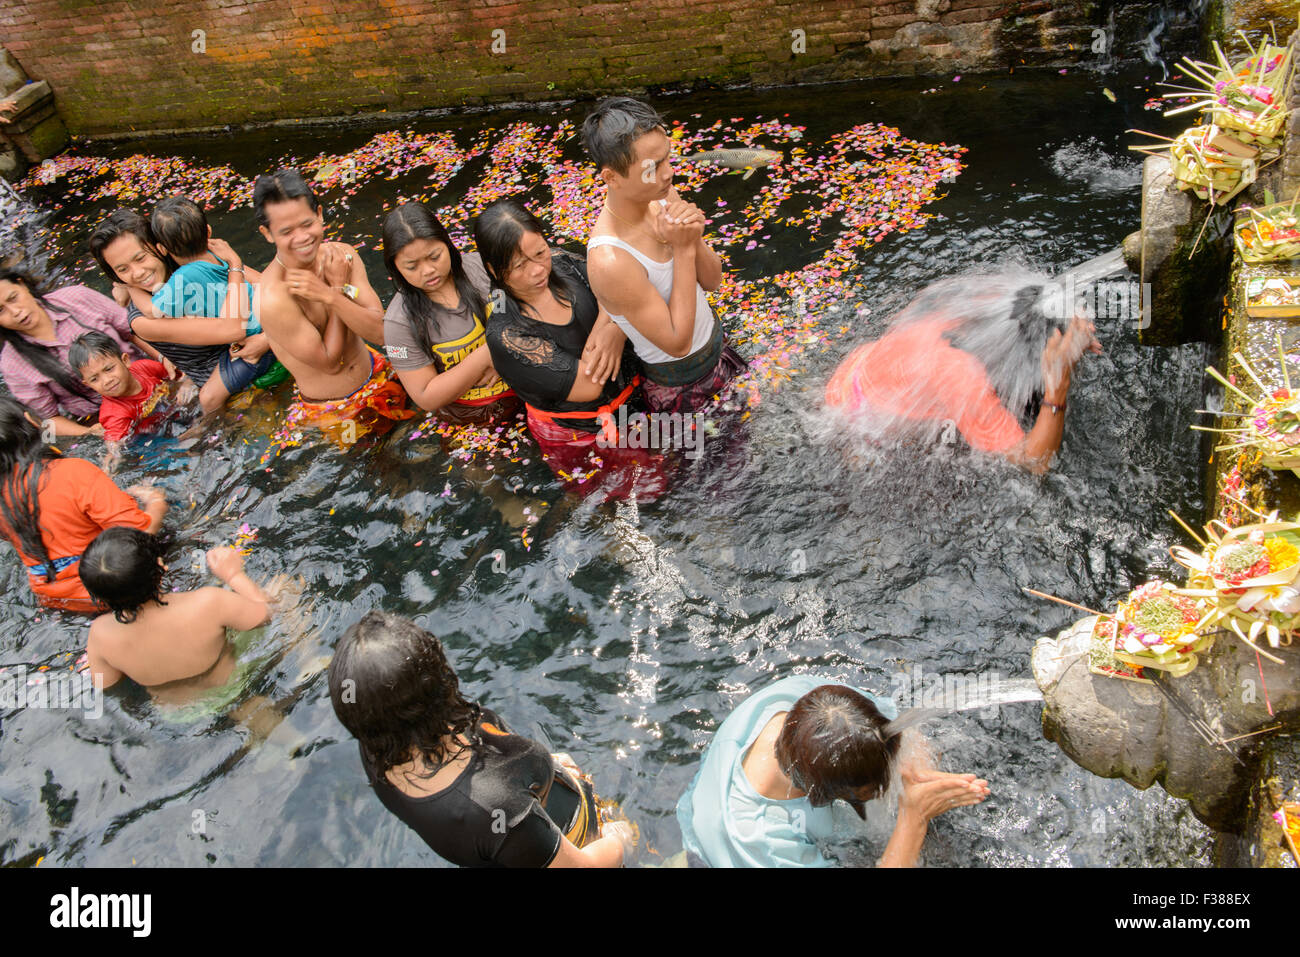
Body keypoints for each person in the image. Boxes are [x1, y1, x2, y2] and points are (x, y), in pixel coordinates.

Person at [328, 610, 635, 867]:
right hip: (578, 838)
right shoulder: (497, 811)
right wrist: (620, 838)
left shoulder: (378, 746)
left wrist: (551, 768)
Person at [676, 674, 990, 867]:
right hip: (719, 857)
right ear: (825, 796)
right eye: (871, 792)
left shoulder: (817, 706)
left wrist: (919, 773)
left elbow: (901, 732)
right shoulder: (762, 838)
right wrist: (914, 819)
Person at [475, 197, 666, 497]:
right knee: (637, 495)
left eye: (540, 252)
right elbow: (589, 385)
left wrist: (614, 327)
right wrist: (615, 320)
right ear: (494, 270)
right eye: (520, 266)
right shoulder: (507, 333)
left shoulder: (564, 263)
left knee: (672, 468)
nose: (538, 270)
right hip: (581, 433)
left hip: (633, 400)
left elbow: (615, 283)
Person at [824, 276, 1102, 473]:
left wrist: (1069, 325)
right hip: (862, 423)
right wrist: (1059, 384)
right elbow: (1034, 462)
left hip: (859, 367)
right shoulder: (962, 375)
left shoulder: (992, 303)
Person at [583, 97, 745, 415]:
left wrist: (693, 238)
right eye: (652, 168)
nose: (668, 174)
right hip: (682, 391)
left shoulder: (661, 195)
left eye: (667, 159)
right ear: (611, 177)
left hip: (718, 350)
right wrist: (683, 248)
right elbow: (676, 341)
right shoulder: (610, 260)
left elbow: (712, 281)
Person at [253, 169, 414, 445]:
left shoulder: (343, 256)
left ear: (319, 214)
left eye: (306, 224)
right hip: (336, 408)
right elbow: (330, 361)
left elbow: (380, 328)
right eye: (287, 231)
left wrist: (335, 295)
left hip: (377, 371)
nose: (302, 237)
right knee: (383, 473)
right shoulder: (273, 297)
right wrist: (337, 291)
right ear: (267, 234)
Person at [0, 397, 166, 612]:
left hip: (54, 599)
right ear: (30, 422)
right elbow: (138, 535)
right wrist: (156, 503)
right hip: (112, 588)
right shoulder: (70, 473)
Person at [89, 209, 261, 415]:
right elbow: (232, 330)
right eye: (123, 269)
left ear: (159, 247)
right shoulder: (142, 321)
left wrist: (267, 338)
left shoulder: (189, 257)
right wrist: (234, 264)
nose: (138, 272)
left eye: (141, 258)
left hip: (256, 341)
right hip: (230, 383)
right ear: (114, 275)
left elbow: (267, 286)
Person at [80, 528, 271, 698]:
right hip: (232, 685)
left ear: (98, 596)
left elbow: (108, 685)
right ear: (161, 567)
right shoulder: (208, 602)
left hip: (177, 711)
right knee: (283, 588)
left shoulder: (100, 635)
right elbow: (266, 615)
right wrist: (234, 575)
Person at [381, 202, 516, 424]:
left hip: (525, 388)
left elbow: (522, 311)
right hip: (469, 418)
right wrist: (490, 353)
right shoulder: (399, 323)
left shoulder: (482, 271)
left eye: (434, 256)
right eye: (412, 266)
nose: (428, 270)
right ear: (395, 267)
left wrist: (504, 357)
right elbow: (426, 396)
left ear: (448, 245)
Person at [0, 265, 173, 437]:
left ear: (22, 284)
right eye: (1, 311)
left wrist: (165, 358)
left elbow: (134, 331)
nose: (15, 312)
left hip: (143, 378)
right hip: (105, 416)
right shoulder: (12, 364)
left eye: (14, 298)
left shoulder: (77, 297)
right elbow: (48, 420)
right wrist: (90, 431)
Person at [146, 195, 282, 410]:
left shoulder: (182, 278)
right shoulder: (221, 256)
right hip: (271, 323)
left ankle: (208, 430)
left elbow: (153, 310)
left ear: (162, 249)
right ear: (208, 232)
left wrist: (129, 289)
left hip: (253, 345)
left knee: (208, 397)